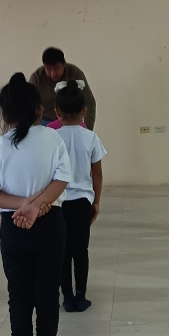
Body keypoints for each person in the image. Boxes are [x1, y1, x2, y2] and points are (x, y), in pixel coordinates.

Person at [0, 73, 71, 336]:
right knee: (48, 296)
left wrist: (22, 205)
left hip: (13, 227)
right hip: (50, 224)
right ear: (38, 109)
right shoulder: (53, 138)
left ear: (4, 115)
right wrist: (37, 205)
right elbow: (62, 179)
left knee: (18, 297)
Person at [53, 80, 106, 313]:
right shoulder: (91, 138)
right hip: (83, 202)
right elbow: (97, 174)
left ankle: (67, 297)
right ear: (84, 111)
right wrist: (96, 202)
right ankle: (81, 296)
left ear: (57, 111)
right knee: (81, 250)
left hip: (59, 202)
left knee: (63, 251)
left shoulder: (53, 138)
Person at [29, 47, 97, 131]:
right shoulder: (37, 78)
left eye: (56, 68)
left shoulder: (75, 73)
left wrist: (88, 131)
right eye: (48, 69)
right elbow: (29, 105)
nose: (53, 73)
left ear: (64, 64)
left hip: (70, 120)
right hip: (44, 121)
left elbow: (89, 102)